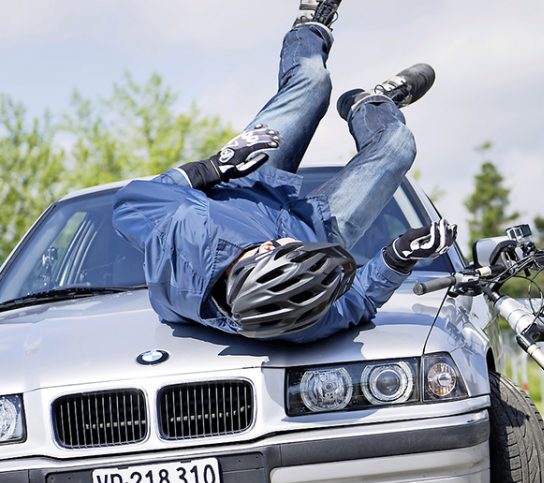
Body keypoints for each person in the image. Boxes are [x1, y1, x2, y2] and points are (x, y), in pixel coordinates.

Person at [112, 0, 456, 343]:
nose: (298, 244)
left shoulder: (189, 231)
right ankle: (372, 105)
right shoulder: (296, 316)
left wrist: (216, 166)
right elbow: (358, 302)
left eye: (294, 249)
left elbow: (128, 204)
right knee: (398, 147)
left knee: (313, 82)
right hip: (319, 225)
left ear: (264, 251)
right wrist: (398, 257)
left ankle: (311, 24)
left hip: (247, 185)